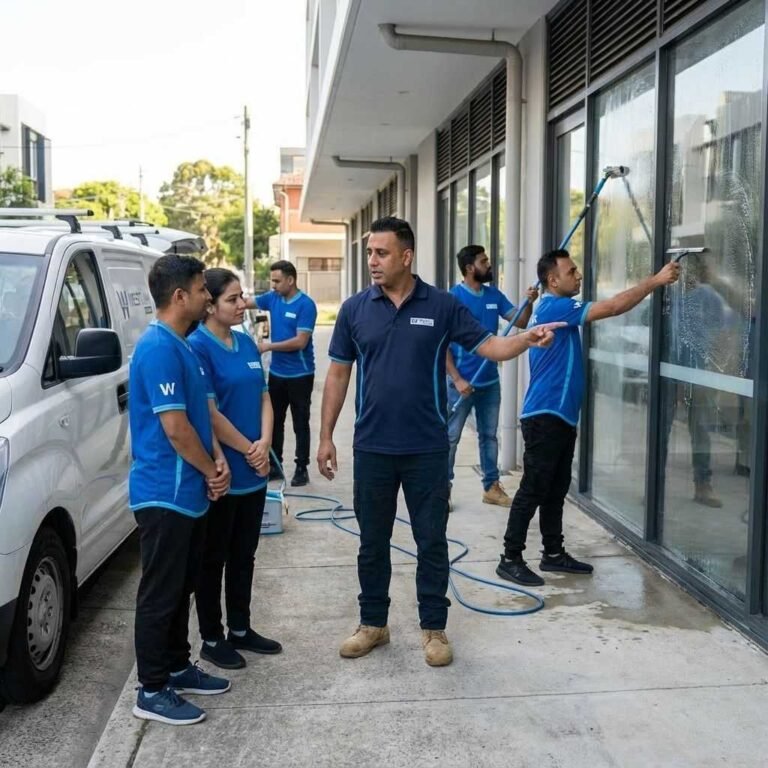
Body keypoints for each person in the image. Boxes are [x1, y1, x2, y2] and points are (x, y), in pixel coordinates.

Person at [317, 217, 562, 667]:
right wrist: (326, 436)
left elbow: (490, 346)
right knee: (372, 541)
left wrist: (526, 339)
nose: (372, 261)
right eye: (370, 252)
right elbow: (337, 373)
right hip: (372, 447)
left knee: (432, 540)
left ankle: (434, 628)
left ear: (406, 256)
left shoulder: (443, 305)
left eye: (382, 253)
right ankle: (373, 623)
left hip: (427, 448)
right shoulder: (355, 309)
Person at [496, 248, 681, 587]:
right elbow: (612, 307)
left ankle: (553, 554)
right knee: (534, 488)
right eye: (571, 271)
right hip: (545, 415)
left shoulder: (548, 304)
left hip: (560, 416)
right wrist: (656, 280)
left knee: (555, 489)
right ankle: (510, 558)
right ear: (553, 280)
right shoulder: (556, 305)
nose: (578, 275)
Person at [129, 254, 232, 726]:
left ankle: (175, 665)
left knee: (180, 588)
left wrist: (217, 463)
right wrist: (212, 467)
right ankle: (151, 689)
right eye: (201, 288)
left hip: (187, 492)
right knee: (160, 593)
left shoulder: (182, 344)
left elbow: (199, 414)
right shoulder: (159, 348)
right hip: (164, 493)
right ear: (179, 297)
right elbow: (175, 428)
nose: (208, 296)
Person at [188, 268, 282, 670]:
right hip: (224, 473)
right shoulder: (198, 347)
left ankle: (241, 629)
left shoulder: (245, 343)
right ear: (209, 305)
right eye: (233, 299)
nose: (243, 304)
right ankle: (212, 637)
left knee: (245, 555)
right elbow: (208, 413)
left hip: (254, 469)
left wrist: (264, 445)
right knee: (215, 559)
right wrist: (248, 449)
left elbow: (264, 397)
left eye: (242, 297)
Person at [446, 244, 538, 508]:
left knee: (489, 436)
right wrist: (457, 378)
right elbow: (441, 345)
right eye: (484, 261)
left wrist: (528, 302)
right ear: (469, 268)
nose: (489, 264)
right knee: (450, 437)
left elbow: (520, 322)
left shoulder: (493, 295)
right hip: (460, 383)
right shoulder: (452, 299)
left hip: (488, 381)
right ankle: (443, 488)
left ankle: (491, 487)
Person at [247, 260, 317, 487]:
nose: (273, 285)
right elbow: (246, 303)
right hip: (277, 373)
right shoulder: (273, 298)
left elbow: (300, 341)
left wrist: (268, 346)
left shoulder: (306, 305)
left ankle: (301, 468)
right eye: (272, 281)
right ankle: (275, 466)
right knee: (274, 421)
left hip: (300, 374)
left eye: (277, 281)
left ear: (290, 280)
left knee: (300, 422)